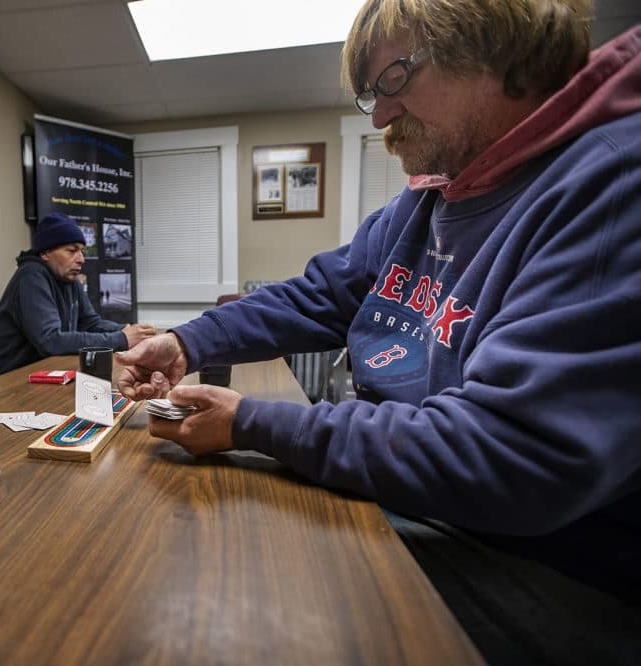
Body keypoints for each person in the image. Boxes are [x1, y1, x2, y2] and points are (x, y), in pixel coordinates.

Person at [118, 2, 640, 661]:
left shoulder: (614, 182)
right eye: (372, 93)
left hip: (553, 564)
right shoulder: (429, 198)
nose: (381, 115)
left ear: (504, 54)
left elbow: (512, 453)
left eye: (393, 78)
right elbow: (316, 296)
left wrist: (254, 424)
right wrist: (188, 342)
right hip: (418, 496)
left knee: (258, 608)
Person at [0, 212, 156, 378]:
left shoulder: (69, 278)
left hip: (46, 372)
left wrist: (126, 330)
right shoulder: (31, 275)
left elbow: (90, 323)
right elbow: (50, 340)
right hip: (8, 381)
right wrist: (121, 339)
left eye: (82, 251)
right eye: (71, 251)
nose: (81, 259)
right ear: (45, 253)